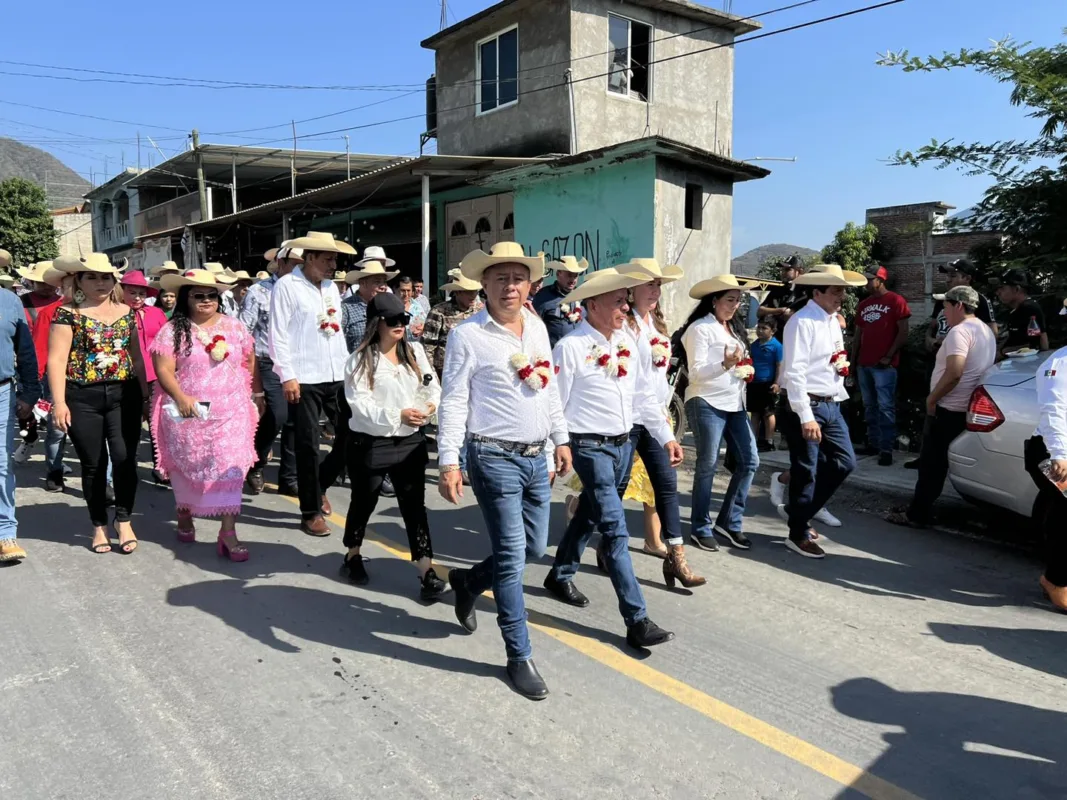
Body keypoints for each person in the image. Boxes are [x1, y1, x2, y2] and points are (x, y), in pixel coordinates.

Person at [437, 242, 572, 700]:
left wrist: (562, 438)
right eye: (500, 278)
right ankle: (519, 654)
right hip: (492, 457)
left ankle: (469, 580)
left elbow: (548, 388)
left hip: (537, 458)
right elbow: (453, 399)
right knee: (514, 558)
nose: (509, 286)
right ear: (484, 284)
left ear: (529, 284)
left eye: (517, 278)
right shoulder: (468, 335)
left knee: (534, 548)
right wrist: (449, 460)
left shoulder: (536, 327)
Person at [544, 268, 682, 649]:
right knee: (616, 529)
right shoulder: (570, 347)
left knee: (590, 511)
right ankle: (637, 619)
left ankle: (560, 574)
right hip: (589, 447)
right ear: (592, 305)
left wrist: (666, 436)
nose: (625, 307)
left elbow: (644, 398)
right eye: (618, 301)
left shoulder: (625, 341)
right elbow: (554, 404)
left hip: (624, 445)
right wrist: (555, 449)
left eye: (625, 300)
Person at [151, 270, 263, 560]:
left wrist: (248, 394)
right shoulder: (172, 330)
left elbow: (249, 360)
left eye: (211, 295)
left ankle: (228, 532)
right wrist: (180, 397)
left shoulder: (235, 327)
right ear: (186, 299)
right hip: (190, 410)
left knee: (231, 467)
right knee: (188, 464)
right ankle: (185, 513)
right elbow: (164, 369)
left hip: (231, 413)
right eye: (198, 295)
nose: (205, 300)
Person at [340, 292, 446, 599]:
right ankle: (352, 554)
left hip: (411, 441)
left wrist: (427, 408)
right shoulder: (360, 360)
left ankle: (426, 569)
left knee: (414, 507)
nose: (401, 324)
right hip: (372, 442)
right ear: (377, 324)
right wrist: (396, 414)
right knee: (365, 501)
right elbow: (360, 406)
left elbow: (432, 387)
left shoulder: (414, 352)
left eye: (405, 319)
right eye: (393, 320)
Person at [611, 258, 705, 584]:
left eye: (658, 285)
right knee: (615, 489)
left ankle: (676, 558)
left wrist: (665, 427)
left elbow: (656, 383)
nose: (654, 290)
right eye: (648, 284)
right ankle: (594, 544)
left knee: (666, 485)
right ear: (631, 289)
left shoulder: (657, 329)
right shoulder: (622, 327)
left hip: (652, 418)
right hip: (626, 420)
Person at [48, 254, 149, 555]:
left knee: (124, 458)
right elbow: (56, 360)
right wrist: (58, 403)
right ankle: (98, 525)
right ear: (78, 279)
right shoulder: (66, 314)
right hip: (82, 396)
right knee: (94, 465)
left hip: (125, 394)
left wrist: (145, 397)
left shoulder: (128, 313)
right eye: (91, 276)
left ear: (114, 280)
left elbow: (137, 357)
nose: (100, 282)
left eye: (105, 277)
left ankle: (125, 518)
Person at [887, 286, 996, 529]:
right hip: (966, 407)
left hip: (948, 407)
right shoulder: (985, 331)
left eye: (945, 306)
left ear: (958, 305)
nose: (942, 312)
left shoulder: (961, 332)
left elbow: (955, 372)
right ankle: (922, 509)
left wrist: (932, 399)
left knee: (931, 465)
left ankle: (918, 514)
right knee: (938, 463)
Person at [268, 231, 353, 536]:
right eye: (328, 258)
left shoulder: (331, 288)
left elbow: (336, 330)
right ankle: (310, 511)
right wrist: (287, 374)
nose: (333, 264)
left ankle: (319, 484)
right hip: (303, 377)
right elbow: (277, 334)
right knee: (307, 444)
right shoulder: (287, 286)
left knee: (350, 434)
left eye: (335, 259)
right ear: (310, 257)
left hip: (335, 374)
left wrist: (349, 369)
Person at [777, 264, 865, 558]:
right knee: (807, 470)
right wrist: (806, 415)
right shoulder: (802, 322)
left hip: (831, 402)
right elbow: (795, 371)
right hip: (807, 403)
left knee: (844, 462)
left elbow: (835, 362)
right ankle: (797, 533)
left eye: (843, 291)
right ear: (817, 292)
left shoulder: (831, 321)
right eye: (835, 291)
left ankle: (799, 513)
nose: (841, 296)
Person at [678, 274, 761, 551]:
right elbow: (697, 373)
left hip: (735, 404)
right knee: (707, 464)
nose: (735, 305)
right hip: (706, 401)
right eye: (730, 299)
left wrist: (743, 370)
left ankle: (728, 522)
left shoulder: (734, 330)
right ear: (714, 301)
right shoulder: (700, 329)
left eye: (738, 300)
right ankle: (700, 526)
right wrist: (725, 365)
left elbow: (740, 364)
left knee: (750, 460)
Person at [240, 245, 302, 494]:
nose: (299, 267)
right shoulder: (259, 291)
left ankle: (289, 477)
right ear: (281, 262)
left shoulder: (303, 291)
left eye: (303, 263)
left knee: (295, 421)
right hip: (266, 361)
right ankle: (256, 461)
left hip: (297, 361)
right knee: (277, 415)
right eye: (295, 262)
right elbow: (245, 330)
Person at [0, 265, 42, 562]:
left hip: (2, 390)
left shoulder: (10, 300)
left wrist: (30, 392)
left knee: (1, 463)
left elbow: (26, 350)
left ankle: (4, 533)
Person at [1023, 341, 1067, 612]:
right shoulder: (1059, 364)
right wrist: (1060, 455)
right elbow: (1055, 410)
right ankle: (1055, 581)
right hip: (1053, 452)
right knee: (1066, 515)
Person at [16, 261, 67, 491]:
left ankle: (55, 464)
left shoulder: (64, 304)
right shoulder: (22, 303)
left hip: (59, 366)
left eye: (51, 283)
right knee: (27, 410)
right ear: (33, 281)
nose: (47, 287)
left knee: (56, 421)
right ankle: (29, 438)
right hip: (28, 362)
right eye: (42, 282)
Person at [852, 265, 910, 466]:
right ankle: (873, 443)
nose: (867, 283)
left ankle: (886, 449)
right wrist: (853, 361)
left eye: (870, 279)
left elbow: (903, 332)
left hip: (884, 366)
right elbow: (858, 334)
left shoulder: (896, 301)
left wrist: (888, 356)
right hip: (864, 364)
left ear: (880, 280)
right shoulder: (864, 304)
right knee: (869, 407)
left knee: (885, 407)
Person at [120, 271, 169, 484]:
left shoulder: (156, 313)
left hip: (154, 375)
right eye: (132, 292)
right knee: (129, 424)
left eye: (141, 293)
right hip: (125, 376)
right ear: (121, 292)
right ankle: (127, 466)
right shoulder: (116, 313)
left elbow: (167, 343)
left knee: (157, 423)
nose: (137, 297)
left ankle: (160, 466)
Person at [926, 259, 997, 351]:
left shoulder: (980, 300)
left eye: (953, 276)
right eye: (947, 276)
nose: (947, 280)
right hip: (940, 356)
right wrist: (930, 340)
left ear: (967, 278)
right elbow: (932, 327)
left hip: (964, 359)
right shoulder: (942, 298)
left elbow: (992, 334)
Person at [421, 273, 481, 378]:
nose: (473, 295)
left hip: (474, 369)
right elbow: (428, 345)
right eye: (469, 292)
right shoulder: (439, 312)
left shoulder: (480, 311)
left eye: (475, 291)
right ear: (457, 292)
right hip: (445, 371)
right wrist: (430, 373)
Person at [532, 256, 588, 347]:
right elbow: (534, 327)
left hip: (580, 352)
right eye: (569, 275)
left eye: (576, 275)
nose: (573, 280)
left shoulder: (581, 296)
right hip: (555, 354)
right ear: (558, 274)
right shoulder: (543, 296)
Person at [748, 317, 784, 452]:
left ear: (773, 331)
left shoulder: (777, 346)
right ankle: (753, 439)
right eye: (759, 327)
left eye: (764, 328)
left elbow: (780, 365)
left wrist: (777, 383)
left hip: (768, 383)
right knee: (755, 413)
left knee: (768, 413)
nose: (760, 331)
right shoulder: (754, 345)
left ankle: (769, 440)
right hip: (754, 382)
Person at [997, 267, 1048, 355]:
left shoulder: (1029, 308)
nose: (998, 292)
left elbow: (1035, 344)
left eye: (1002, 288)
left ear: (1016, 289)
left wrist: (1002, 353)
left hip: (1028, 365)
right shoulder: (1017, 309)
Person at [758, 255, 805, 341]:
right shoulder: (778, 290)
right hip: (775, 341)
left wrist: (792, 315)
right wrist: (780, 310)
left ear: (799, 271)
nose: (783, 272)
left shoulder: (806, 293)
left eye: (787, 269)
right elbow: (760, 311)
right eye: (782, 269)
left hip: (796, 340)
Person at [395, 276, 427, 341]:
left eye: (408, 290)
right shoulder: (389, 307)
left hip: (414, 346)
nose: (406, 294)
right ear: (395, 290)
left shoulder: (418, 307)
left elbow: (425, 325)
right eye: (403, 290)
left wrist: (422, 329)